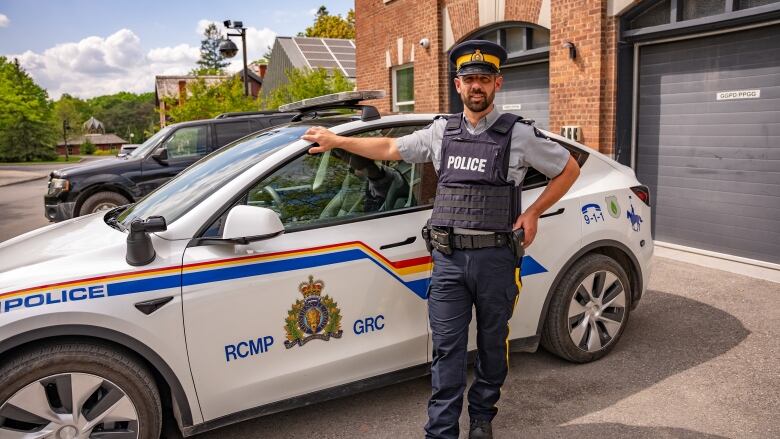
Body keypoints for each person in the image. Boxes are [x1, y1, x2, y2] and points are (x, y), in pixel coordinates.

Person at [303, 40, 580, 439]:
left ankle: (482, 417)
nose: (476, 87)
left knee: (491, 346)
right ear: (457, 84)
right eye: (469, 80)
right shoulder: (440, 132)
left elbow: (568, 169)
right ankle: (442, 430)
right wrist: (338, 141)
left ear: (497, 83)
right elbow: (389, 147)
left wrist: (533, 211)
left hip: (496, 260)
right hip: (449, 261)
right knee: (447, 351)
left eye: (484, 79)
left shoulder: (518, 134)